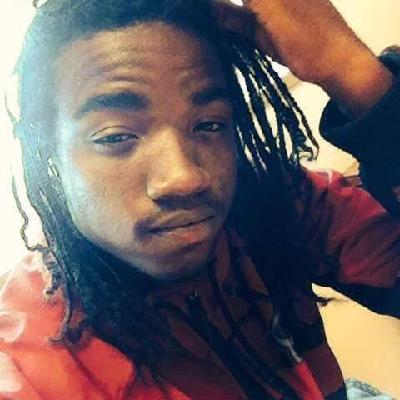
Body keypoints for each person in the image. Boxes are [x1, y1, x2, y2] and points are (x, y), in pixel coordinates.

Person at [0, 0, 399, 398]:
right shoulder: (27, 367)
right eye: (116, 136)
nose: (185, 178)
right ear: (47, 152)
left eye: (209, 125)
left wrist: (353, 72)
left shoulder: (271, 205)